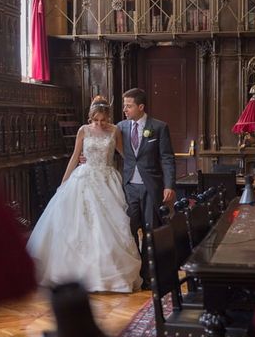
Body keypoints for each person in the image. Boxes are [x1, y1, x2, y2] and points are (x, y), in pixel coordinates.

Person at [27, 96, 142, 293]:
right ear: (91, 118)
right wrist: (63, 183)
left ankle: (109, 275)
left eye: (103, 119)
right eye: (96, 119)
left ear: (108, 117)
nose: (100, 123)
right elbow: (74, 157)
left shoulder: (114, 131)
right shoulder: (83, 130)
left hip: (107, 179)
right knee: (79, 225)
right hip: (84, 177)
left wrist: (139, 168)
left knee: (109, 226)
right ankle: (78, 274)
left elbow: (125, 155)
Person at [117, 88, 176, 288]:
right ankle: (135, 273)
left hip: (152, 187)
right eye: (124, 105)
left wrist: (169, 185)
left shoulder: (158, 127)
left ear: (141, 107)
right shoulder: (121, 127)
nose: (125, 109)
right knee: (130, 229)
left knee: (151, 230)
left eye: (129, 105)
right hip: (129, 188)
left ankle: (150, 276)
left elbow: (167, 158)